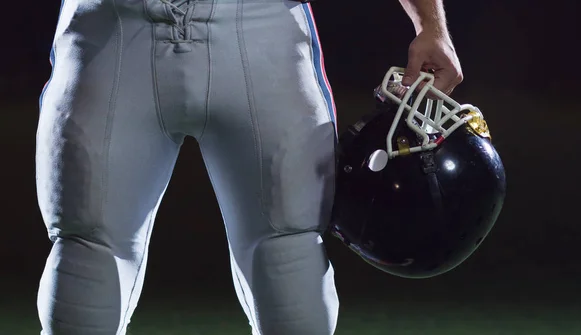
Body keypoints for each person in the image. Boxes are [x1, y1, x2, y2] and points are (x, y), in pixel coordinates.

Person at [35, 0, 462, 334]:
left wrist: (431, 24)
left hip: (247, 28)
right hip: (117, 26)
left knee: (289, 264)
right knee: (86, 263)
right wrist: (428, 24)